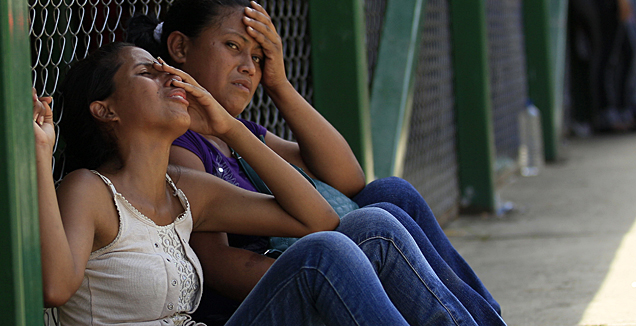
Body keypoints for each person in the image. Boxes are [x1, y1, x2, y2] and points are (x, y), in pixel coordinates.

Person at [34, 41, 493, 325]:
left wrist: (228, 127)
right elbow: (55, 288)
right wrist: (39, 157)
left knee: (348, 235)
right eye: (147, 72)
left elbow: (321, 219)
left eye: (163, 68)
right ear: (105, 109)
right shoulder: (88, 190)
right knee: (325, 254)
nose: (169, 76)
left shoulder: (183, 189)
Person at [126, 0, 505, 325]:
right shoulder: (181, 146)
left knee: (391, 192)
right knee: (371, 228)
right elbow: (216, 264)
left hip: (308, 254)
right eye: (232, 46)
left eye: (258, 58)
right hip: (260, 300)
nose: (249, 67)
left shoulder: (236, 134)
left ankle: (487, 317)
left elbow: (349, 178)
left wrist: (281, 86)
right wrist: (342, 272)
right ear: (179, 47)